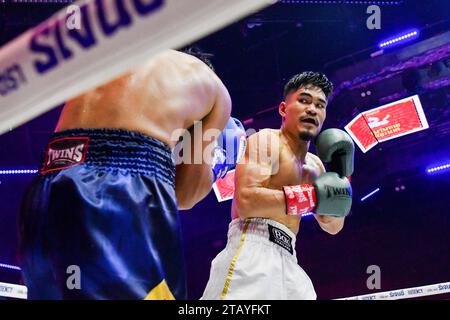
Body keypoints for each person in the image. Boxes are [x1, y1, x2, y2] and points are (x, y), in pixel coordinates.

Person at [18, 49, 245, 300]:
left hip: (49, 180)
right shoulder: (214, 89)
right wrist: (217, 166)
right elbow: (186, 194)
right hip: (121, 187)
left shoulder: (120, 52)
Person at [201, 71, 354, 300]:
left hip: (290, 258)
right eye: (304, 101)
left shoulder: (316, 166)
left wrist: (342, 177)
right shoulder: (266, 141)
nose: (312, 109)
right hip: (252, 248)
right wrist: (311, 196)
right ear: (283, 109)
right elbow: (246, 202)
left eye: (320, 105)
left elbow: (333, 226)